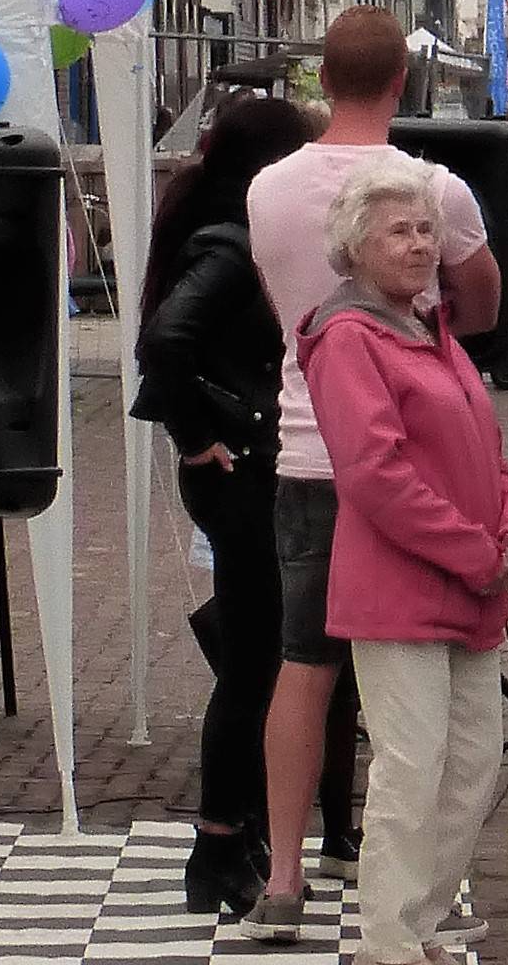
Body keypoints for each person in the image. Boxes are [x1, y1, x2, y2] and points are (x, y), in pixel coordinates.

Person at [245, 7, 502, 936]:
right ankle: (402, 904)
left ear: (320, 80)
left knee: (302, 667)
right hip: (409, 462)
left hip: (307, 451)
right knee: (420, 712)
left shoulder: (268, 188)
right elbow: (478, 310)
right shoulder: (434, 187)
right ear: (404, 82)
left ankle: (283, 873)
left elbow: (281, 302)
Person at [301, 156, 508, 965]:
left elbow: (485, 442)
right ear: (355, 246)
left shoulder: (432, 331)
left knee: (470, 764)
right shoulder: (347, 336)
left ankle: (427, 918)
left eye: (428, 228)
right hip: (399, 587)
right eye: (400, 229)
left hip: (472, 584)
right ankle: (389, 940)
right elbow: (374, 472)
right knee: (411, 767)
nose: (423, 244)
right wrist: (475, 550)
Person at [134, 94, 333, 917]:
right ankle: (218, 842)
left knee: (261, 657)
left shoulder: (229, 232)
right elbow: (166, 339)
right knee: (255, 664)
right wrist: (191, 434)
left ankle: (241, 830)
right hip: (237, 467)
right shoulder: (228, 243)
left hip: (242, 461)